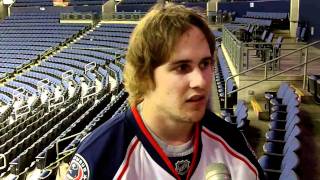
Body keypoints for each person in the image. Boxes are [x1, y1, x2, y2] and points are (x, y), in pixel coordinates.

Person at [65, 2, 265, 180]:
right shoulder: (100, 157)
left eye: (205, 64)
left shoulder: (232, 144)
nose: (200, 81)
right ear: (144, 75)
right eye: (182, 67)